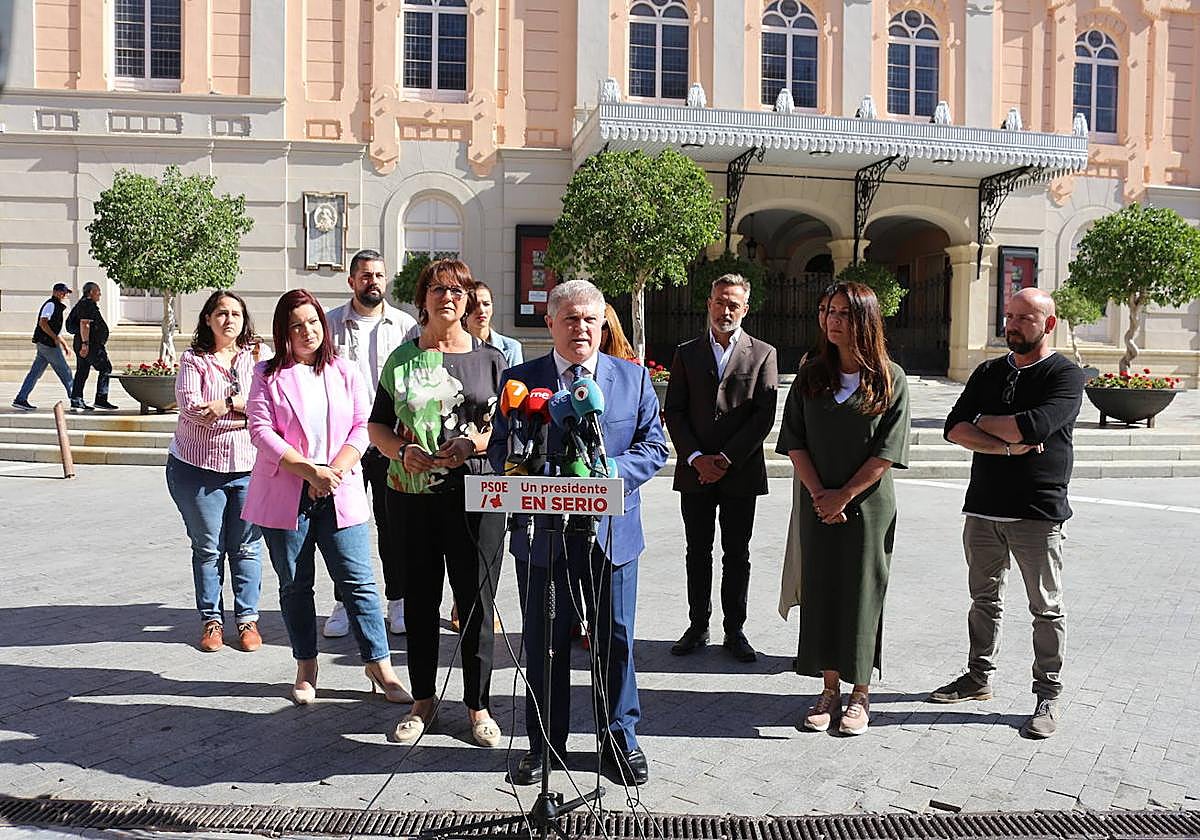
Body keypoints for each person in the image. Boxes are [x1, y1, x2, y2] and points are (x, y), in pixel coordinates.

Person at [488, 279, 669, 787]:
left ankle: (619, 743)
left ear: (603, 321)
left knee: (615, 639)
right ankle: (545, 745)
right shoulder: (520, 380)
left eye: (590, 318)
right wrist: (526, 467)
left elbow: (654, 448)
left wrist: (609, 471)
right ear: (550, 324)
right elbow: (500, 450)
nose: (581, 328)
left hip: (612, 535)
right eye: (569, 318)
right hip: (544, 536)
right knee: (545, 642)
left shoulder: (632, 378)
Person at [928, 287, 1084, 740]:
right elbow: (952, 427)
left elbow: (1032, 424)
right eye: (1010, 315)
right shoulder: (989, 371)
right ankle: (978, 679)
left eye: (1025, 318)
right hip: (983, 509)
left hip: (1038, 511)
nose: (1012, 324)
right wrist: (1011, 446)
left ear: (1048, 325)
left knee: (1046, 608)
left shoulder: (1065, 376)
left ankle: (1048, 696)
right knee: (983, 599)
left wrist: (989, 425)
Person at [242, 289, 411, 707]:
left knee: (359, 583)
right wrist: (308, 471)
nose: (307, 331)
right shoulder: (266, 373)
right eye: (296, 325)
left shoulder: (345, 370)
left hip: (338, 487)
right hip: (287, 492)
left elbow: (363, 425)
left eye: (313, 322)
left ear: (323, 324)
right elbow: (261, 431)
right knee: (295, 585)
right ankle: (305, 664)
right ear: (283, 332)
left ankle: (379, 664)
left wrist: (331, 472)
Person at [367, 258, 507, 748]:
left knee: (476, 603)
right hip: (411, 495)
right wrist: (401, 450)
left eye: (458, 290)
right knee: (421, 601)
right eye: (438, 289)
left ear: (468, 299)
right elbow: (376, 425)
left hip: (477, 496)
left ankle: (479, 706)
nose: (448, 297)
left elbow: (506, 428)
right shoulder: (401, 360)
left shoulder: (491, 359)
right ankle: (422, 701)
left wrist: (474, 444)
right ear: (422, 298)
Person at [776, 281, 910, 736]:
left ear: (866, 320)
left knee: (862, 594)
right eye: (828, 311)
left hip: (868, 509)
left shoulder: (890, 377)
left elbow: (887, 452)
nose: (833, 320)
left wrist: (843, 496)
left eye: (844, 314)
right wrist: (820, 496)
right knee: (822, 591)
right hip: (817, 504)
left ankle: (860, 694)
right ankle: (828, 689)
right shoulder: (811, 374)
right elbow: (794, 441)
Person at [664, 273, 778, 663]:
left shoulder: (762, 353)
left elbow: (763, 415)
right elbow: (674, 411)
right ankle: (698, 626)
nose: (725, 310)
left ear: (745, 309)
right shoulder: (687, 351)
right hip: (694, 471)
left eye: (733, 304)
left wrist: (726, 459)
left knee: (737, 553)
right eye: (719, 302)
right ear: (709, 303)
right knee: (696, 550)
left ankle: (735, 630)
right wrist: (696, 457)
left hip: (740, 472)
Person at [323, 248, 419, 639]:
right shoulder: (329, 325)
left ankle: (397, 601)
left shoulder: (405, 326)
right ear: (351, 281)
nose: (372, 282)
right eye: (364, 276)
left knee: (393, 524)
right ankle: (344, 602)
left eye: (378, 275)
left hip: (389, 438)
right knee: (342, 524)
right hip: (344, 443)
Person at [165, 290, 264, 653]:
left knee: (247, 548)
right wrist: (246, 414)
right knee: (208, 548)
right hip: (198, 469)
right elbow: (193, 410)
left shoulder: (258, 355)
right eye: (221, 313)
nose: (229, 320)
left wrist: (227, 404)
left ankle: (247, 619)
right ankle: (211, 620)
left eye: (236, 313)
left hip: (249, 469)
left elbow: (268, 404)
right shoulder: (193, 359)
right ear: (208, 318)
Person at [13, 283, 73, 411]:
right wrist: (54, 338)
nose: (64, 295)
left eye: (65, 293)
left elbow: (54, 329)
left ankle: (21, 399)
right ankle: (75, 399)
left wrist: (64, 345)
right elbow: (43, 323)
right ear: (55, 292)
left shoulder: (56, 306)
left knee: (34, 373)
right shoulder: (51, 305)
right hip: (48, 345)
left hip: (45, 345)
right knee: (65, 372)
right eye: (63, 292)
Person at [65, 282, 119, 412]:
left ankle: (77, 400)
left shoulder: (84, 304)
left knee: (82, 371)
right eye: (97, 291)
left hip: (86, 343)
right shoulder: (87, 304)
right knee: (106, 368)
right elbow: (85, 324)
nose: (100, 294)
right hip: (90, 345)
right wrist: (85, 345)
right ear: (90, 293)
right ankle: (101, 399)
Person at [466, 279, 523, 368]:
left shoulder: (511, 348)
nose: (481, 310)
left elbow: (516, 380)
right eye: (475, 305)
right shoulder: (454, 347)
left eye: (486, 304)